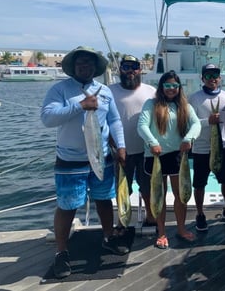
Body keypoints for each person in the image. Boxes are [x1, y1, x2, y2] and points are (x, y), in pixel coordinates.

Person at [41, 46, 129, 279]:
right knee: (68, 205)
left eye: (89, 63)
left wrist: (121, 146)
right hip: (70, 159)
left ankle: (108, 237)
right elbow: (48, 118)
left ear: (95, 67)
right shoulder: (60, 89)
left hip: (101, 157)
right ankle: (61, 252)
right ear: (73, 66)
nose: (85, 66)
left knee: (104, 199)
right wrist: (79, 106)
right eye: (80, 62)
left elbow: (114, 121)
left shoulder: (104, 91)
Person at [137, 70, 201, 249]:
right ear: (161, 87)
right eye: (167, 85)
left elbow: (196, 124)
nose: (171, 89)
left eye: (174, 85)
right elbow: (141, 125)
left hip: (176, 156)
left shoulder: (184, 106)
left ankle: (181, 229)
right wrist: (152, 142)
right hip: (155, 155)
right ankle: (162, 232)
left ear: (179, 88)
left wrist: (189, 139)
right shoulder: (151, 104)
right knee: (159, 196)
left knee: (181, 195)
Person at [189, 63, 225, 232]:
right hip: (201, 148)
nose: (212, 79)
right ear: (202, 78)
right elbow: (189, 123)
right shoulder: (194, 98)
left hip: (223, 146)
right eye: (208, 76)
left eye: (215, 75)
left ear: (220, 78)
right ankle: (200, 214)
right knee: (199, 184)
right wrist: (208, 122)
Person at [109, 55, 157, 230]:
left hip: (145, 150)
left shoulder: (151, 91)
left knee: (147, 187)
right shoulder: (109, 90)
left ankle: (151, 217)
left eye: (134, 67)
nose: (130, 70)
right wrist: (112, 142)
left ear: (140, 70)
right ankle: (123, 221)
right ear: (120, 69)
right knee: (123, 189)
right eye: (126, 66)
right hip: (120, 151)